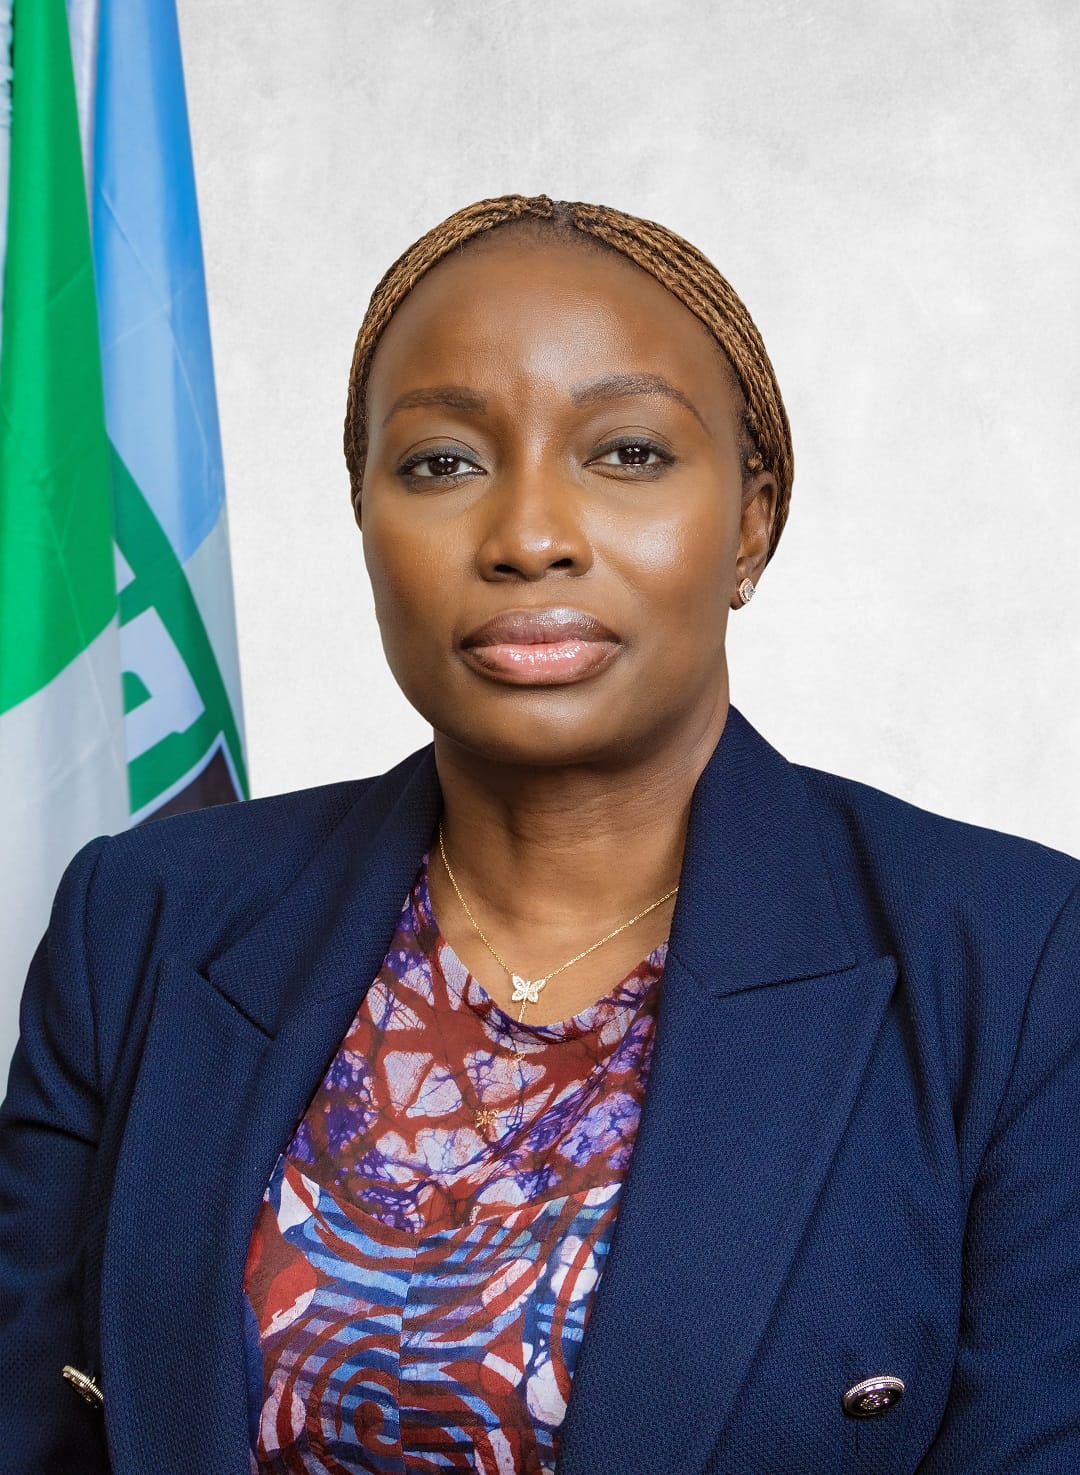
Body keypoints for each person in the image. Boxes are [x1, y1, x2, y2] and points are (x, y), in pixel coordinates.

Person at [1, 192, 1078, 1475]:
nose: (527, 537)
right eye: (441, 463)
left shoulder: (1018, 962)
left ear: (752, 522)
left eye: (626, 452)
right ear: (364, 517)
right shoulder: (144, 915)